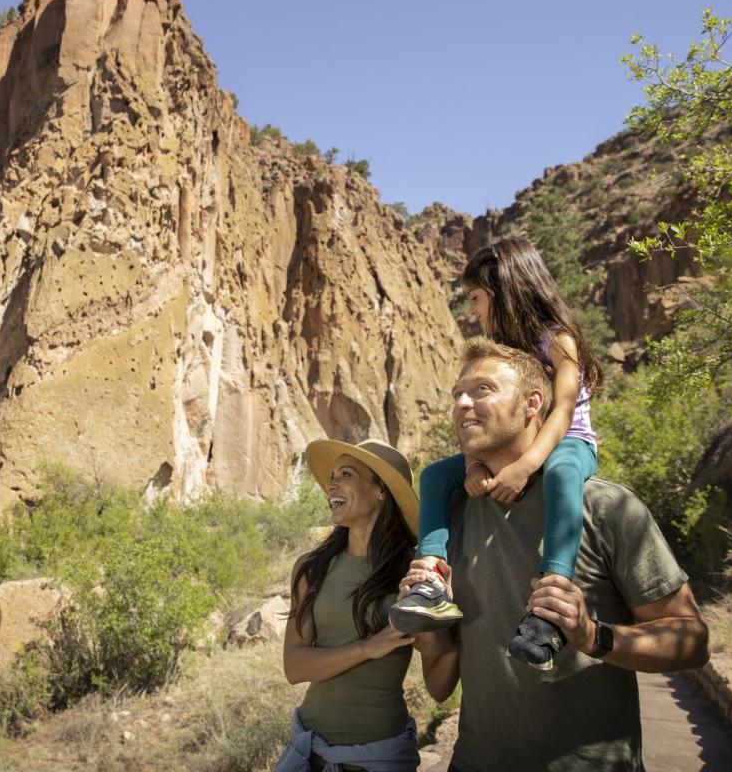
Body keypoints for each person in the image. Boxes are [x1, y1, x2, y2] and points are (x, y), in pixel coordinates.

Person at [411, 338, 709, 771]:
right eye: (457, 393)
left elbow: (692, 642)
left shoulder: (605, 509)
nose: (461, 403)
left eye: (481, 390)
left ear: (533, 403)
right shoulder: (448, 519)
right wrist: (431, 624)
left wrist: (593, 636)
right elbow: (440, 686)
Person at [390, 238, 605, 671]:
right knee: (435, 475)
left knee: (563, 473)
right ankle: (430, 576)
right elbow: (487, 425)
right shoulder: (505, 348)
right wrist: (474, 463)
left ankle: (551, 596)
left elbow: (562, 410)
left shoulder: (558, 341)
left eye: (474, 298)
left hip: (568, 442)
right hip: (514, 449)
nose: (471, 311)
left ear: (502, 287)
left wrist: (526, 467)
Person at [275, 438, 427, 772]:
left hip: (380, 756)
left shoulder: (414, 570)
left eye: (346, 474)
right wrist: (366, 649)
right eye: (332, 476)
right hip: (308, 751)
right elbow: (295, 667)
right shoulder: (311, 567)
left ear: (380, 491)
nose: (331, 484)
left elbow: (441, 671)